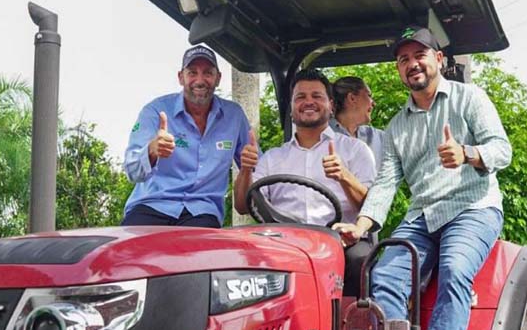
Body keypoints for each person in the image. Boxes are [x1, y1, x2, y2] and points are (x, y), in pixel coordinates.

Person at [333, 26, 511, 330]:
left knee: (454, 270)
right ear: (399, 70)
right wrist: (361, 226)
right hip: (423, 215)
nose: (412, 64)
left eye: (419, 55)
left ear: (438, 60)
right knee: (383, 277)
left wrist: (466, 153)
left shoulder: (469, 99)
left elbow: (502, 150)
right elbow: (386, 182)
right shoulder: (398, 126)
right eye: (403, 59)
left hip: (472, 208)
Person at [234, 68, 376, 295]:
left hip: (340, 240)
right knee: (242, 258)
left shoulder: (355, 150)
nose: (308, 102)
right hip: (284, 242)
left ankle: (350, 326)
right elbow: (243, 205)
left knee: (361, 259)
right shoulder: (273, 157)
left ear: (330, 105)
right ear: (291, 107)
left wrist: (344, 177)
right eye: (300, 97)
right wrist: (245, 171)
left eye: (316, 96)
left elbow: (372, 206)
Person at [122, 45, 252, 228]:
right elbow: (131, 170)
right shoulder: (154, 111)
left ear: (218, 78)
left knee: (202, 254)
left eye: (207, 73)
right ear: (181, 77)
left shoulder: (235, 116)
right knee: (128, 253)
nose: (200, 80)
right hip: (151, 205)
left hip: (202, 212)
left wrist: (249, 166)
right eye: (192, 72)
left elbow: (256, 167)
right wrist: (151, 150)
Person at [330, 76, 387, 166]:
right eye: (369, 95)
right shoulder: (321, 134)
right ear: (352, 98)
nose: (374, 103)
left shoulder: (378, 137)